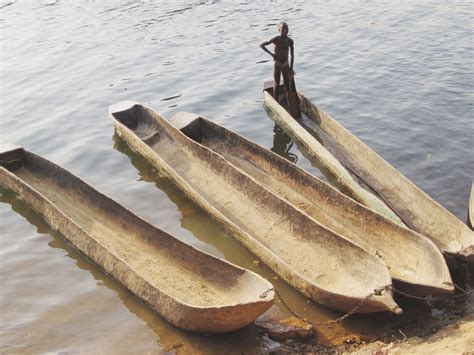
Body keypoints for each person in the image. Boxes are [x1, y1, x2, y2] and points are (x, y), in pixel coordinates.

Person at [260, 22, 295, 100]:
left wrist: (291, 68)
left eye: (287, 30)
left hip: (286, 64)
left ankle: (289, 99)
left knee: (287, 83)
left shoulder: (290, 41)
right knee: (277, 83)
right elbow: (262, 45)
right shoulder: (276, 39)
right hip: (277, 64)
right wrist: (272, 54)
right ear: (279, 30)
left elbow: (292, 55)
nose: (285, 31)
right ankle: (276, 101)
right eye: (283, 30)